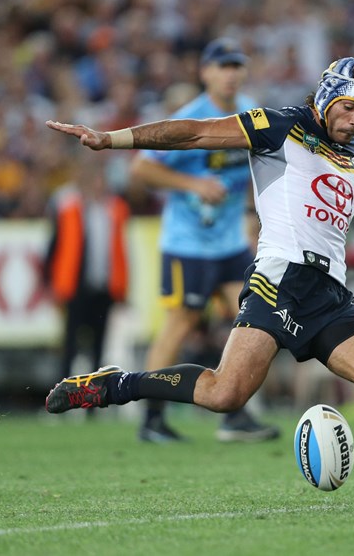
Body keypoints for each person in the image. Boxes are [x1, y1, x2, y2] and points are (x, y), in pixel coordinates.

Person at [45, 57, 354, 510]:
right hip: (280, 281)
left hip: (330, 293)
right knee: (224, 393)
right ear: (329, 96)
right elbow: (197, 132)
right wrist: (112, 140)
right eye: (349, 107)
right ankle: (114, 386)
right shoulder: (279, 127)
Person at [128, 38, 279, 444]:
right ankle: (152, 418)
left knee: (251, 322)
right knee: (179, 326)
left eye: (237, 65)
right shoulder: (191, 118)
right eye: (223, 65)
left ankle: (235, 413)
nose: (231, 73)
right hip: (188, 244)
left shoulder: (250, 112)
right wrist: (191, 183)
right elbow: (141, 168)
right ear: (205, 72)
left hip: (229, 243)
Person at [43, 162, 130, 388]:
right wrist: (50, 280)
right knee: (70, 344)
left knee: (99, 346)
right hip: (76, 286)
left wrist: (122, 286)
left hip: (103, 287)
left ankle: (93, 399)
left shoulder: (114, 210)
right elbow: (55, 245)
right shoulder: (70, 209)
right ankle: (60, 393)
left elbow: (120, 251)